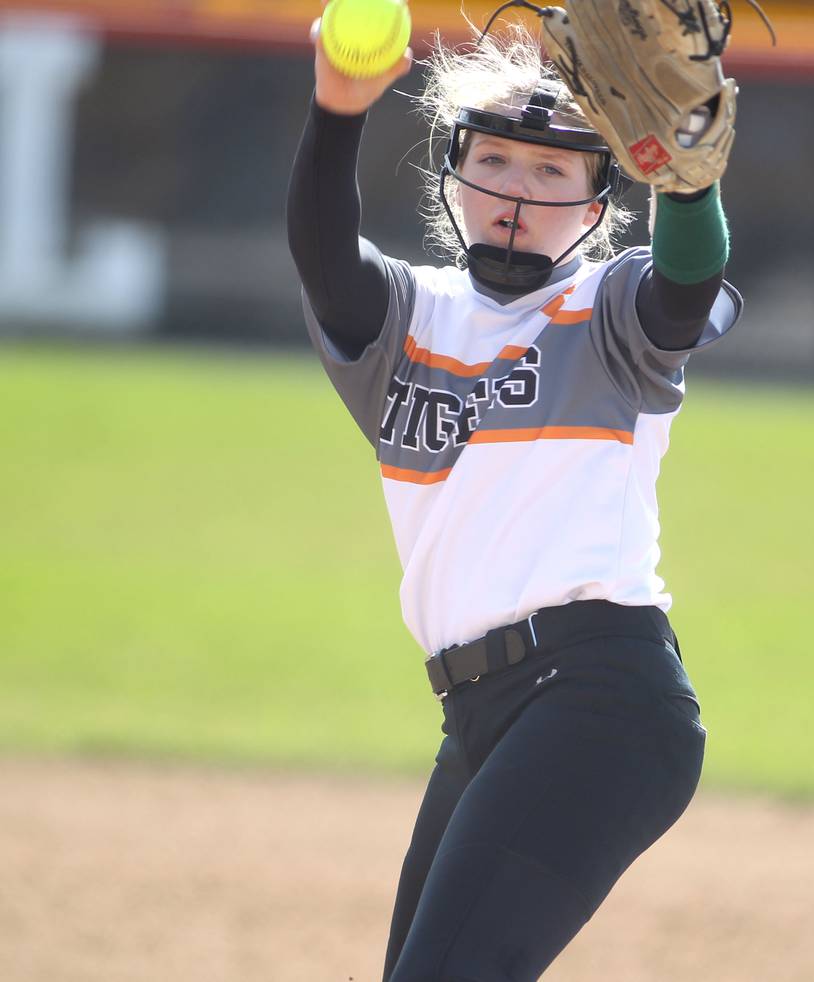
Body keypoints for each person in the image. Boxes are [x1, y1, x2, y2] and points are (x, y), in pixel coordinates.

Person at [285, 13, 741, 982]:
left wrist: (689, 182)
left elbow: (685, 283)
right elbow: (326, 259)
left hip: (599, 700)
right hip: (482, 714)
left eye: (551, 172)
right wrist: (335, 109)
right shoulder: (408, 319)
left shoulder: (608, 313)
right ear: (452, 173)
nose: (516, 193)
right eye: (495, 159)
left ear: (594, 202)